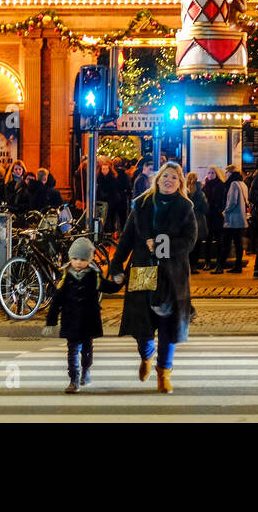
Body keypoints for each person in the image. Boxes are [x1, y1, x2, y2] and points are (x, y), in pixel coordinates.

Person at [109, 162, 197, 394]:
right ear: (157, 179)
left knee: (169, 326)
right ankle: (146, 355)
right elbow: (127, 237)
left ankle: (164, 373)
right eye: (165, 176)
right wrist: (116, 264)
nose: (169, 180)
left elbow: (190, 240)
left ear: (180, 184)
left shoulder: (185, 207)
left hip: (171, 274)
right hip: (142, 270)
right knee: (142, 326)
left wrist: (161, 245)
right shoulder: (142, 204)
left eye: (174, 178)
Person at [44, 236, 123, 393]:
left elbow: (108, 287)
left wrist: (119, 283)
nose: (78, 262)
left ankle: (86, 369)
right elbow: (57, 300)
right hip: (71, 320)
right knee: (72, 351)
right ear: (70, 259)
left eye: (82, 259)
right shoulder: (66, 278)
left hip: (88, 320)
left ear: (89, 260)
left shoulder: (94, 276)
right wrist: (51, 320)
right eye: (75, 258)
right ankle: (74, 379)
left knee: (87, 349)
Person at [215, 170, 249, 274]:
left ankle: (220, 266)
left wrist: (225, 210)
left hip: (233, 219)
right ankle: (238, 266)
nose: (226, 175)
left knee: (227, 243)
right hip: (241, 218)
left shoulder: (234, 184)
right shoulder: (243, 184)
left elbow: (232, 201)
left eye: (228, 173)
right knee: (238, 244)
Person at [202, 167, 226, 272]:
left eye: (212, 173)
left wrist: (219, 209)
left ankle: (218, 262)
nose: (210, 175)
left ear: (216, 174)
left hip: (217, 216)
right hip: (208, 216)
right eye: (209, 173)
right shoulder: (206, 186)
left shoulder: (220, 185)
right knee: (208, 239)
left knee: (219, 240)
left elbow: (222, 200)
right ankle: (207, 262)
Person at [185, 173, 208, 274]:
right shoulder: (200, 192)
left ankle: (188, 265)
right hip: (198, 220)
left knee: (188, 245)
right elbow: (205, 208)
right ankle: (194, 266)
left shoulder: (184, 192)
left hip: (186, 221)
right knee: (197, 244)